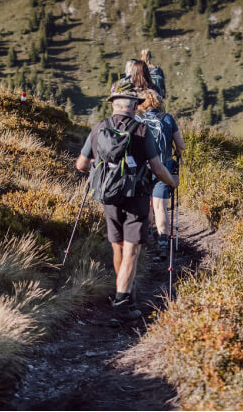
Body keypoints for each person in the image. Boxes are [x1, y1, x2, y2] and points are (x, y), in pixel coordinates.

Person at [76, 87, 179, 323]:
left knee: (118, 247)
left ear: (113, 105)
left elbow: (81, 164)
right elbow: (157, 167)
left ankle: (126, 293)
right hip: (136, 198)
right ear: (133, 107)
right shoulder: (142, 131)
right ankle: (122, 302)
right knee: (132, 249)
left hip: (108, 197)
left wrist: (102, 169)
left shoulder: (98, 128)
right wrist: (171, 181)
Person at [137, 88, 185, 250]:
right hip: (164, 166)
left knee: (147, 204)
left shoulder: (137, 119)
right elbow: (181, 145)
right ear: (158, 102)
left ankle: (148, 234)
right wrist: (177, 153)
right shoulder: (167, 119)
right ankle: (163, 239)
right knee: (160, 205)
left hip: (143, 168)